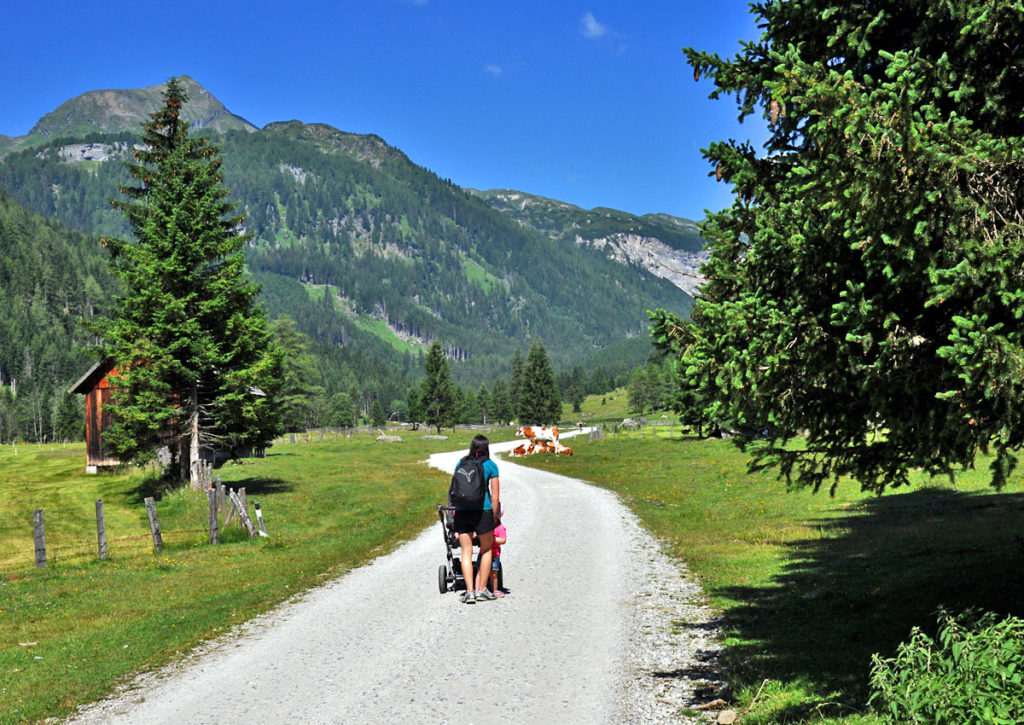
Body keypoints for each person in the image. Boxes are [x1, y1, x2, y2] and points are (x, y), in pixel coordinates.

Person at [453, 434, 501, 604]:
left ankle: (469, 592)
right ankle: (481, 590)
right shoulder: (491, 465)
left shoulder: (461, 463)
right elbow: (495, 496)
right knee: (486, 550)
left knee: (466, 551)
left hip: (462, 511)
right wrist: (494, 516)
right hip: (483, 511)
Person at [489, 507, 507, 597]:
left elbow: (503, 540)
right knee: (481, 571)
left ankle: (495, 590)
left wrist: (493, 539)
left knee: (494, 573)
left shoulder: (500, 528)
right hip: (484, 551)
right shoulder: (486, 526)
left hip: (495, 553)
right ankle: (479, 589)